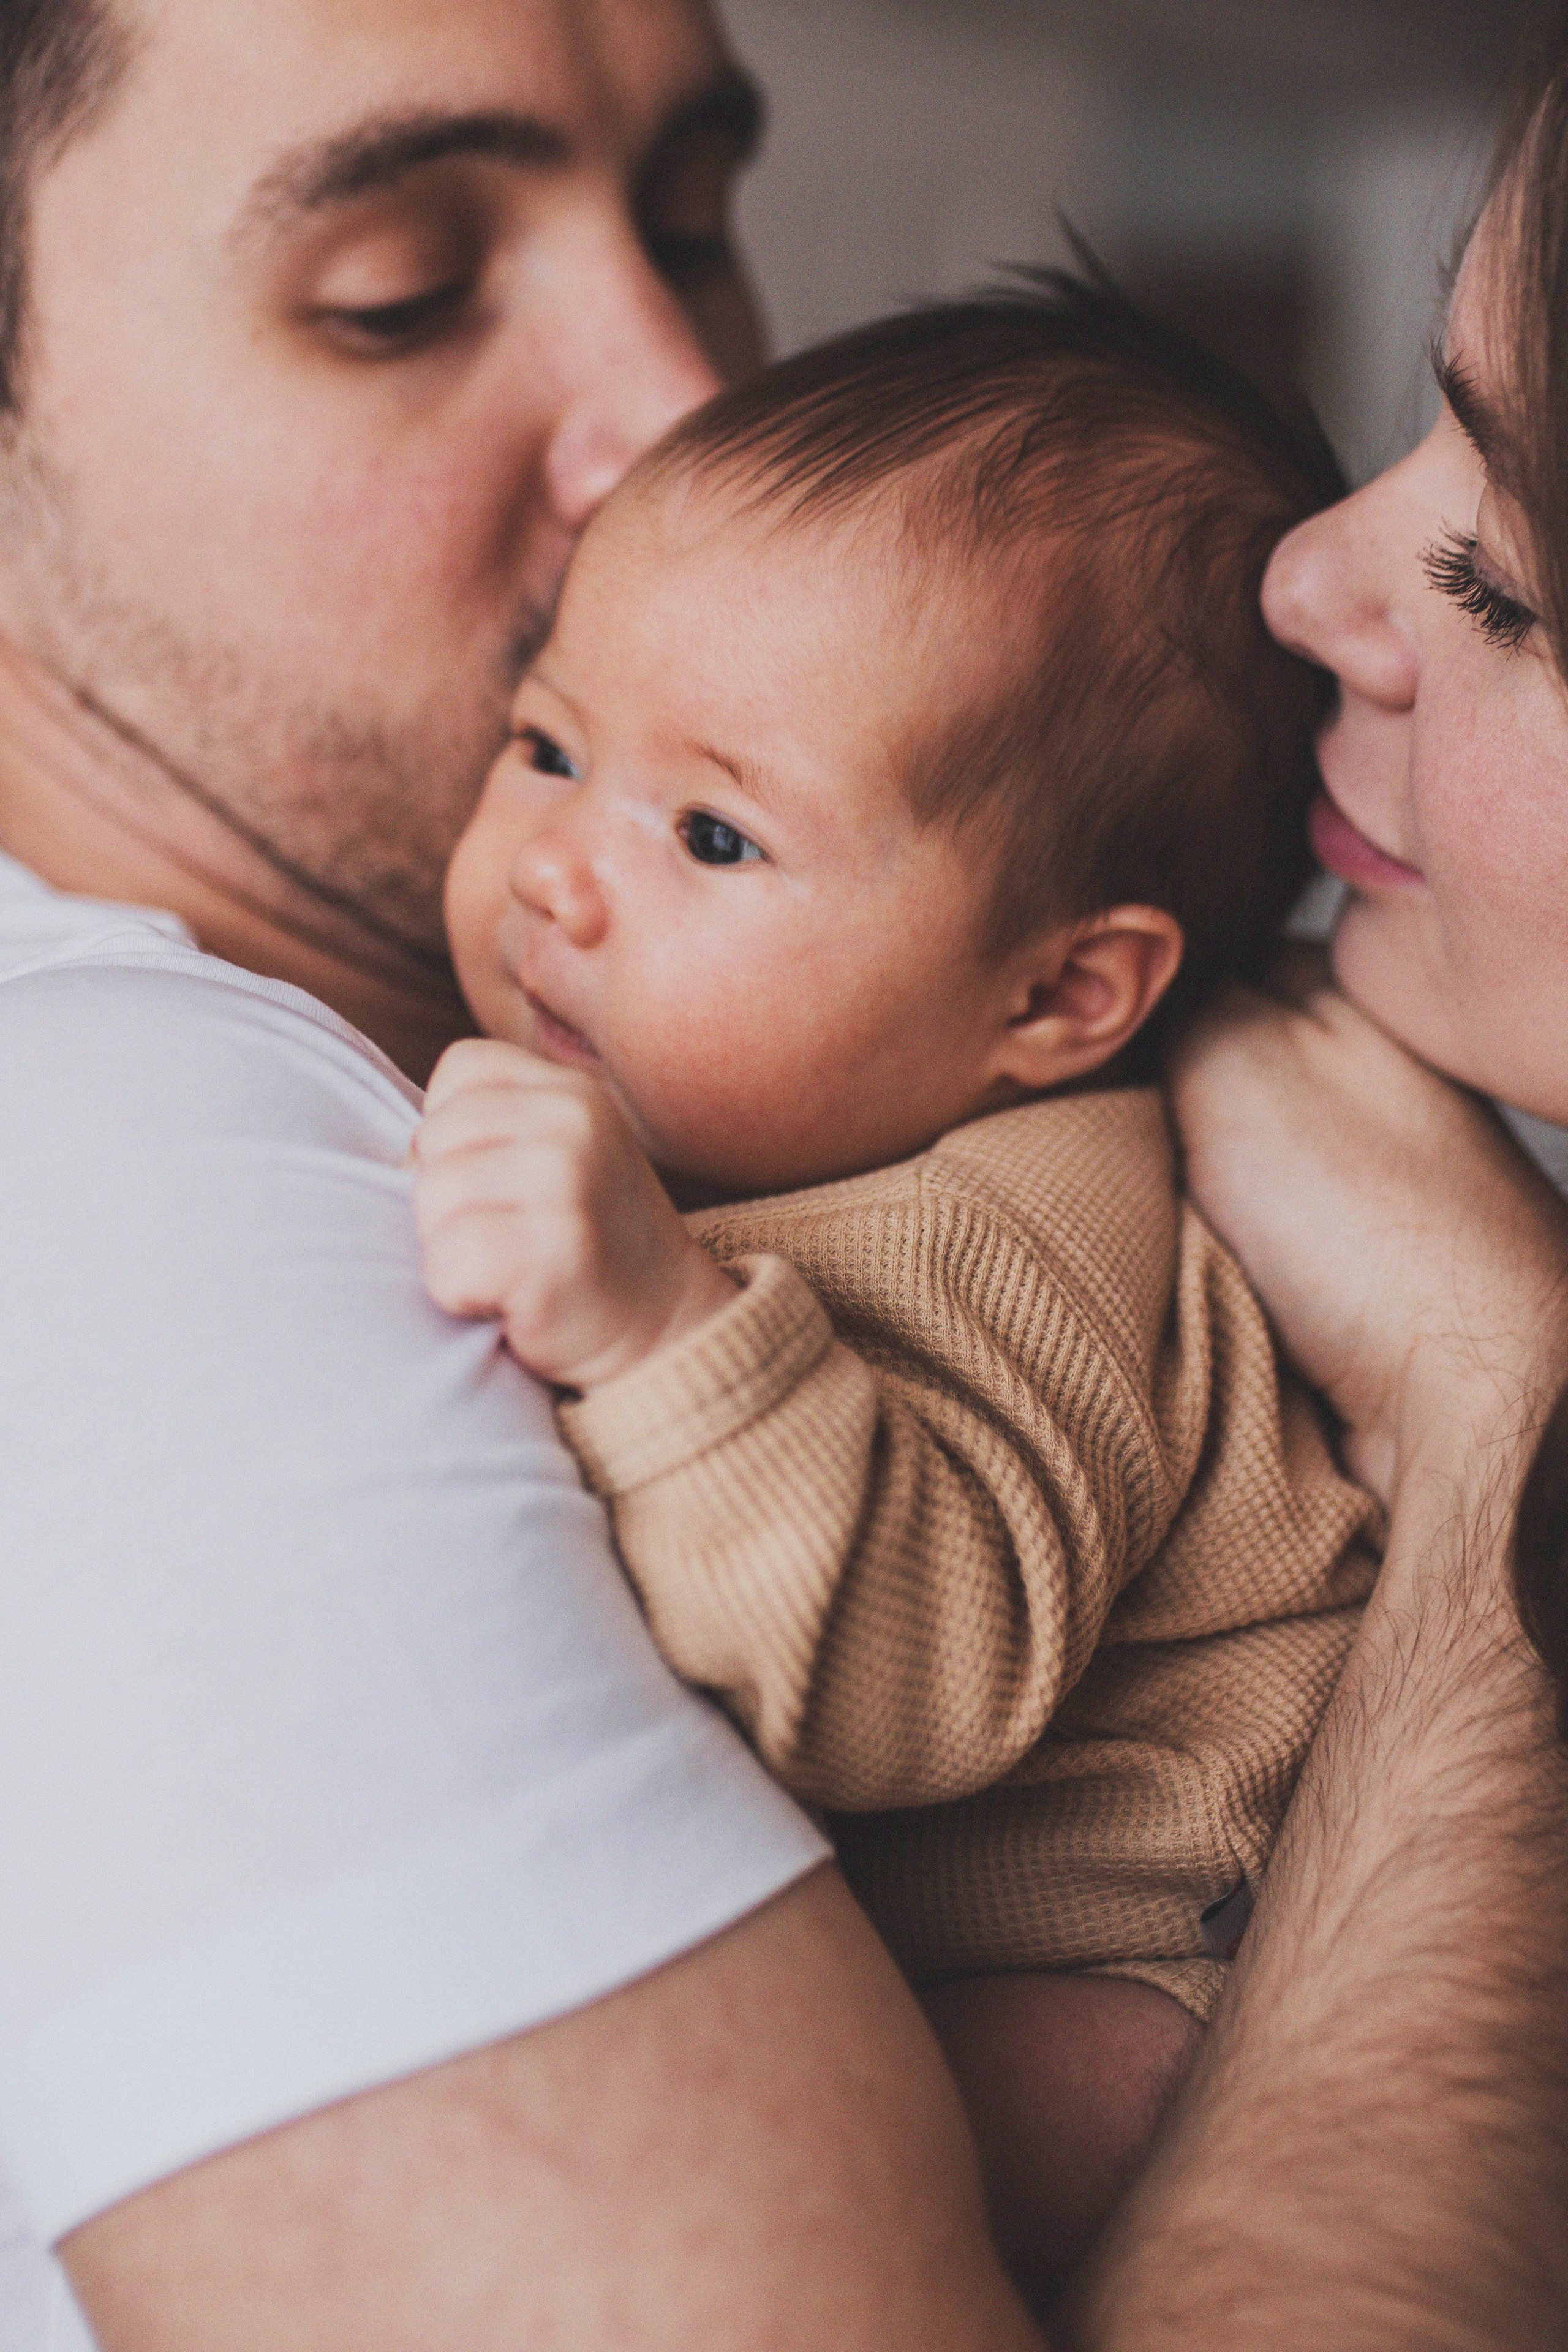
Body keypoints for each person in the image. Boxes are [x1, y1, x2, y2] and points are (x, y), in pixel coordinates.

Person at [0, 3, 1565, 2350]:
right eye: (402, 289)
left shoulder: (903, 1160)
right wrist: (1492, 1405)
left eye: (698, 218)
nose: (672, 397)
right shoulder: (129, 1183)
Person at [410, 278, 1377, 2105]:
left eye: (711, 835)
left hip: (1136, 1958)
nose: (552, 870)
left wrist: (657, 1322)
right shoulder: (767, 1112)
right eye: (549, 746)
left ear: (1056, 999)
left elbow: (917, 1683)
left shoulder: (1015, 1228)